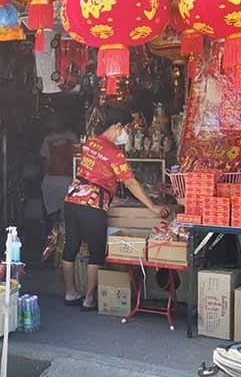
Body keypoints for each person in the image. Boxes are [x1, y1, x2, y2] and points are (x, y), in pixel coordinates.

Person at [63, 105, 167, 310]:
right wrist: (153, 206)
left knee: (71, 246)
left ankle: (70, 293)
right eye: (127, 128)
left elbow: (94, 171)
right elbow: (131, 183)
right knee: (96, 251)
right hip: (93, 203)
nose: (127, 133)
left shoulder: (90, 142)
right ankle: (89, 299)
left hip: (73, 198)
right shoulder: (114, 153)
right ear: (118, 126)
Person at [40, 117, 79, 249]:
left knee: (55, 213)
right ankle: (60, 241)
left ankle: (57, 240)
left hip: (57, 180)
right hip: (61, 180)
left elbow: (45, 161)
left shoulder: (50, 139)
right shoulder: (70, 137)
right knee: (63, 213)